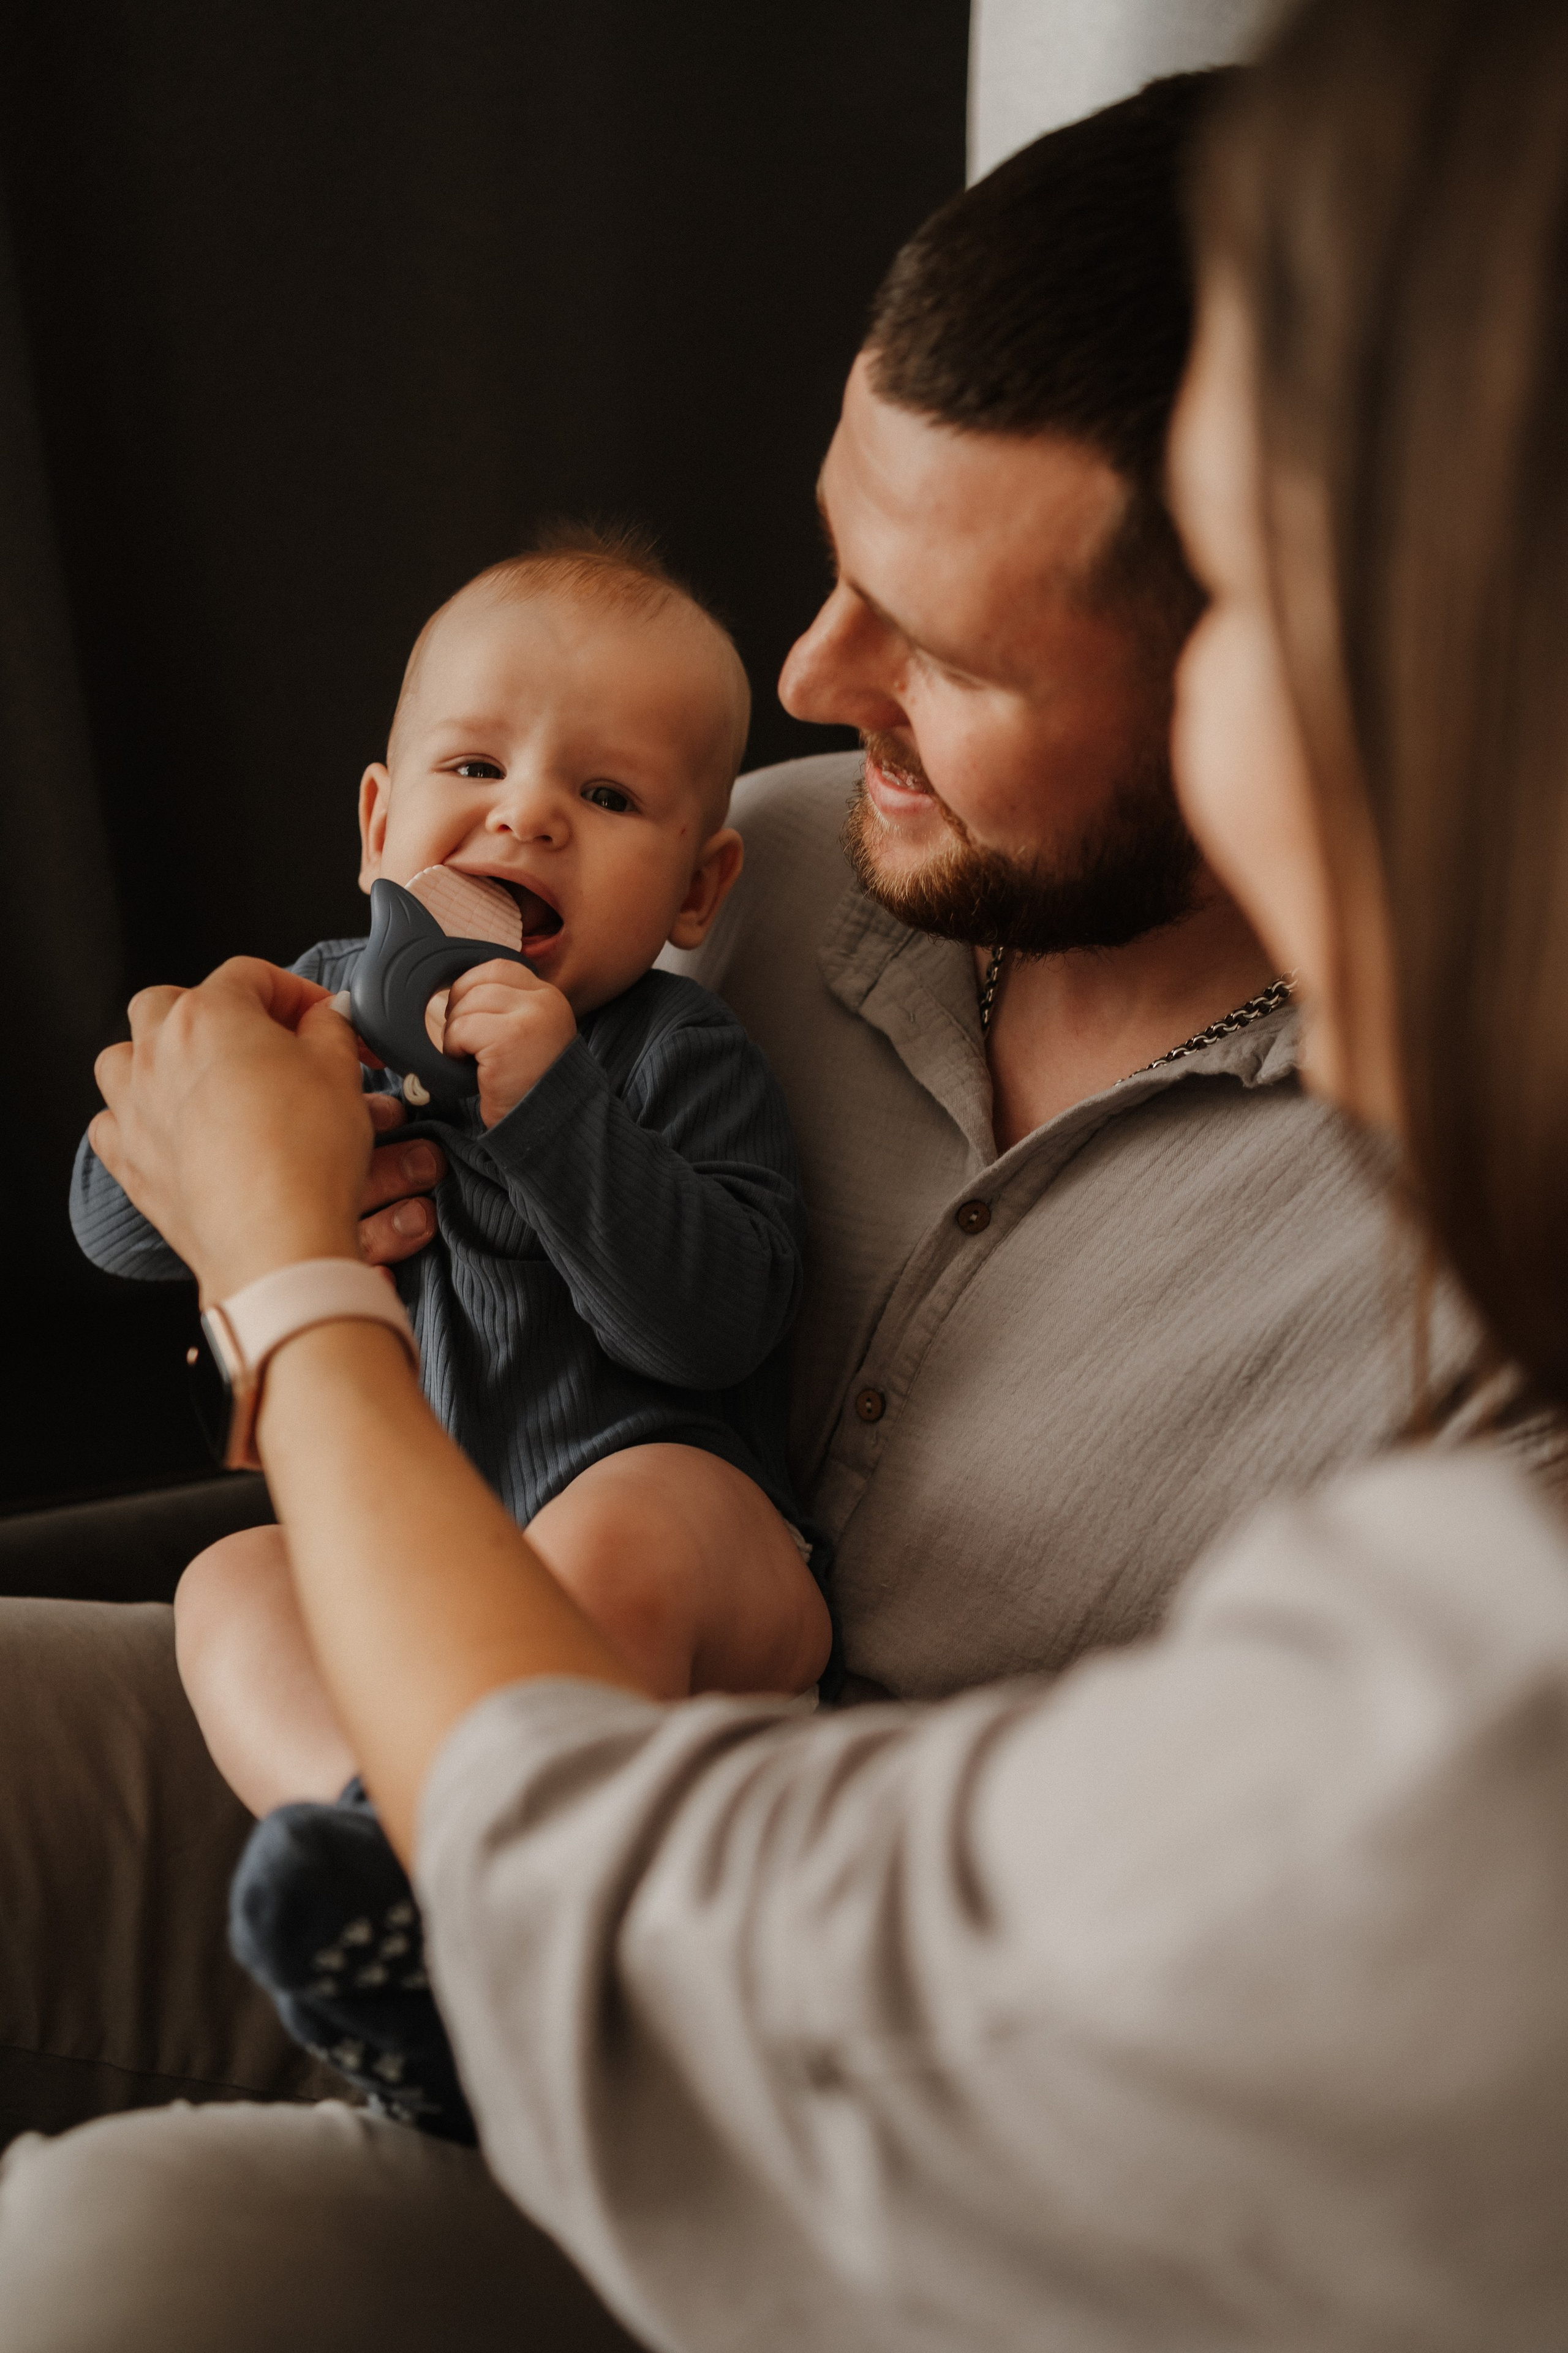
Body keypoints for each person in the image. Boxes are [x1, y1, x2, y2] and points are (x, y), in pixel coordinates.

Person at [0, 46, 1550, 2347]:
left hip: (848, 2063)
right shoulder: (778, 864)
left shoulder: (1483, 1305)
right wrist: (228, 1163)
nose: (815, 681)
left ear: (1340, 688)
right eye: (839, 564)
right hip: (422, 1769)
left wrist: (290, 1280)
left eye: (957, 651)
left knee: (120, 2271)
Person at [69, 527, 830, 2133]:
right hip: (413, 1575)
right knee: (227, 1583)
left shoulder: (673, 1054)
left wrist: (550, 1107)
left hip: (705, 1572)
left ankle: (501, 1866)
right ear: (378, 823)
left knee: (627, 1520)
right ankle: (395, 1851)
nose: (526, 813)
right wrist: (232, 1133)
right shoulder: (313, 1012)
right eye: (475, 765)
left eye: (605, 796)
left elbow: (711, 1325)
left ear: (698, 888)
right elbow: (111, 1221)